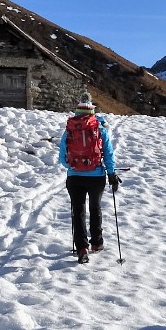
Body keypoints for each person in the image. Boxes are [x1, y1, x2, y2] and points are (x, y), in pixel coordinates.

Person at [58, 93, 119, 263]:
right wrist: (111, 173)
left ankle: (82, 249)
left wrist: (73, 166)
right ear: (93, 111)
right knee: (95, 209)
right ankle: (97, 243)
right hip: (96, 176)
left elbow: (62, 158)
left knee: (78, 211)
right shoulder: (100, 129)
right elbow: (108, 154)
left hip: (74, 177)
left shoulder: (69, 130)